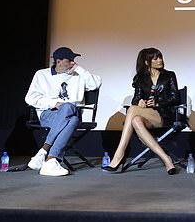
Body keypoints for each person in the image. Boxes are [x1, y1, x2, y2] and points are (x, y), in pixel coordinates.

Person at [103, 48, 181, 175]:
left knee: (132, 111)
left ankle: (119, 155)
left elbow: (175, 98)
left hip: (165, 114)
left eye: (160, 57)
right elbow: (136, 99)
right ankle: (167, 159)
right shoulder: (141, 79)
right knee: (136, 120)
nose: (160, 60)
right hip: (148, 115)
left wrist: (157, 102)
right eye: (155, 58)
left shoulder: (169, 75)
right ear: (146, 62)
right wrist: (139, 102)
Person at [25, 47, 102, 177]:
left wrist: (79, 69)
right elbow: (30, 98)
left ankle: (44, 151)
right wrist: (54, 103)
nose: (73, 63)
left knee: (68, 107)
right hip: (49, 113)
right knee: (73, 120)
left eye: (74, 60)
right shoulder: (42, 74)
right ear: (58, 61)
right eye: (69, 60)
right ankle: (50, 160)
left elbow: (95, 84)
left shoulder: (78, 75)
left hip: (71, 111)